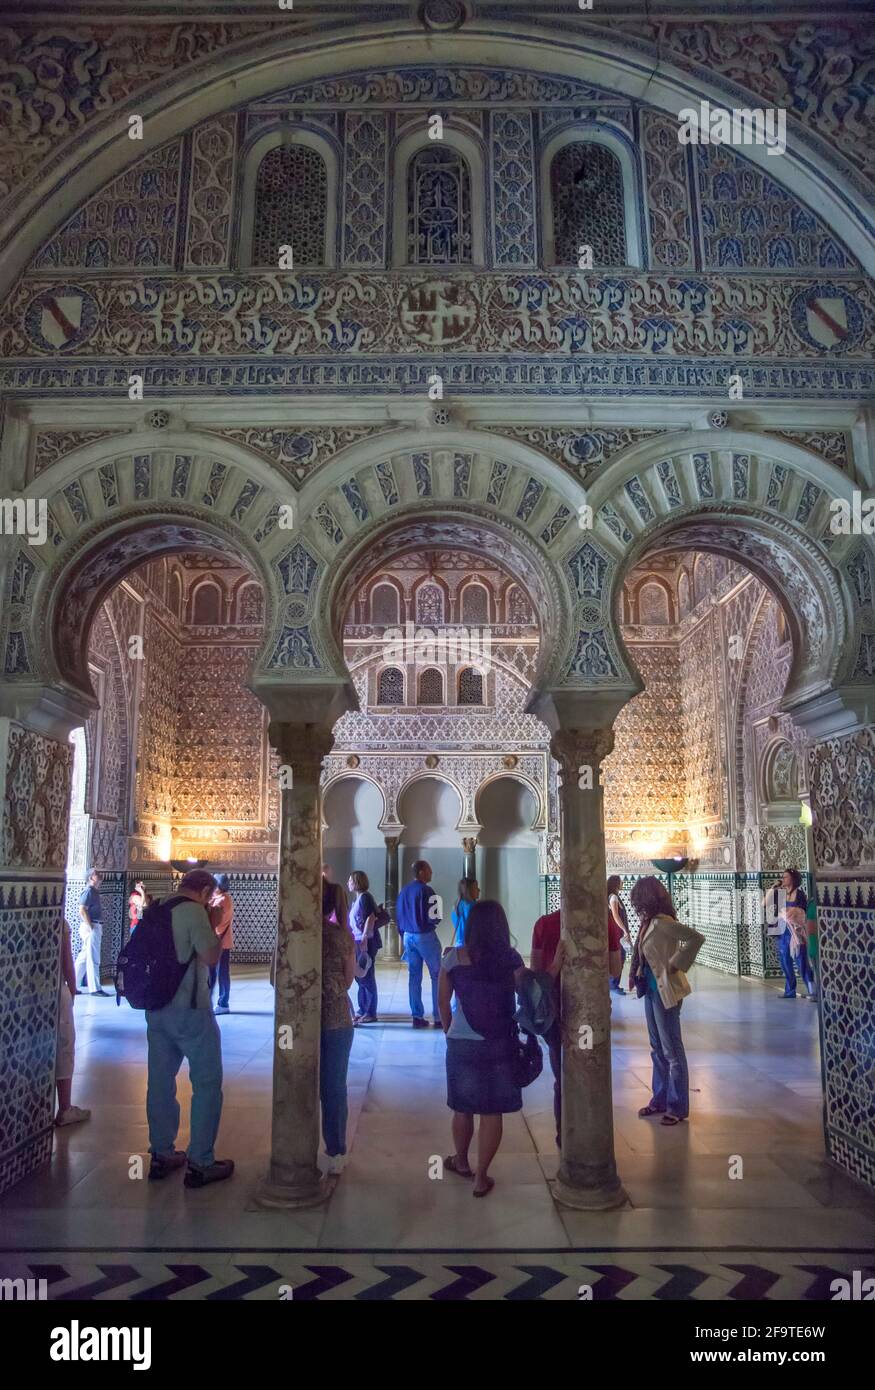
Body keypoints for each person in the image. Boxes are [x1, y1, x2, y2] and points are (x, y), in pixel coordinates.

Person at [145, 868, 234, 1187]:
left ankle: (162, 1152)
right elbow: (211, 956)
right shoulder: (194, 911)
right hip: (189, 1010)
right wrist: (212, 922)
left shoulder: (158, 908)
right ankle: (201, 1161)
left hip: (156, 1010)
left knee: (159, 1081)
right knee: (207, 1083)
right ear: (206, 889)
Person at [438, 900, 527, 1197]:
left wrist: (450, 1031)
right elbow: (528, 994)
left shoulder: (452, 958)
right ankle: (481, 1177)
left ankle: (461, 1162)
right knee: (492, 1111)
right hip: (500, 1041)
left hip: (462, 1041)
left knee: (462, 1107)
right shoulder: (512, 959)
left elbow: (442, 1003)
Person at [530, 904, 622, 1147]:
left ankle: (565, 1136)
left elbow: (535, 973)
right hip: (590, 1014)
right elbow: (615, 969)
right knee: (591, 1072)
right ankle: (591, 1134)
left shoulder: (545, 924)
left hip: (555, 1013)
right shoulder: (605, 924)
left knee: (562, 1077)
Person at [628, 876, 705, 1127]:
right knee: (656, 1048)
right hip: (650, 990)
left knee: (671, 1049)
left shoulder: (663, 923)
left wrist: (676, 963)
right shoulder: (648, 922)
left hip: (665, 990)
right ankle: (659, 1098)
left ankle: (677, 1105)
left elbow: (695, 938)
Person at [321, 879, 368, 1173]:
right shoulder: (342, 937)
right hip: (337, 1019)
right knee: (334, 1087)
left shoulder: (296, 934)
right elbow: (350, 980)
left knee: (298, 1084)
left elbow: (277, 979)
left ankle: (293, 1153)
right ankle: (336, 1153)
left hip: (299, 1023)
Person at [396, 860, 442, 1028]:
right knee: (437, 975)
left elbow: (398, 917)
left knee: (414, 977)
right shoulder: (428, 890)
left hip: (408, 936)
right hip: (425, 936)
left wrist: (403, 935)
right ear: (422, 872)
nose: (431, 873)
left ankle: (417, 1016)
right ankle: (439, 1017)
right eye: (429, 870)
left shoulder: (404, 891)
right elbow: (436, 916)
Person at [55, 919, 91, 1128]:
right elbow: (67, 962)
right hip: (57, 992)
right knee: (64, 1048)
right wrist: (72, 991)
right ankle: (65, 1108)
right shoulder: (60, 922)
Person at [764, 868, 815, 999]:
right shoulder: (779, 892)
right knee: (784, 961)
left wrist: (791, 912)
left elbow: (802, 912)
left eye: (786, 877)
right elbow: (764, 903)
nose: (783, 879)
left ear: (793, 879)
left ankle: (812, 991)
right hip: (782, 932)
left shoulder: (800, 894)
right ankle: (790, 991)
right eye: (783, 877)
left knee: (801, 961)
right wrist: (773, 887)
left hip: (795, 933)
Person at [348, 870, 380, 1024]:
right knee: (359, 976)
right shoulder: (358, 898)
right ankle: (363, 1007)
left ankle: (370, 1012)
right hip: (358, 941)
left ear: (356, 882)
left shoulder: (365, 898)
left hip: (365, 942)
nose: (348, 883)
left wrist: (365, 940)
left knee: (367, 976)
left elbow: (371, 918)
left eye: (350, 880)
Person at [76, 868, 108, 996]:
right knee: (93, 958)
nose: (99, 875)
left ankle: (72, 984)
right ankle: (95, 988)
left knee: (83, 958)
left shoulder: (94, 891)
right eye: (96, 874)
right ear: (90, 878)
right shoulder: (89, 891)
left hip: (93, 925)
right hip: (92, 926)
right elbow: (82, 910)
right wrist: (90, 926)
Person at [208, 873, 234, 1014]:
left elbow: (214, 920)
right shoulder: (223, 898)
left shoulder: (223, 900)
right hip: (221, 942)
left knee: (221, 973)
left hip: (220, 943)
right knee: (216, 972)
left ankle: (223, 1003)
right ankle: (217, 1002)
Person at [607, 876, 633, 994]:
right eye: (620, 882)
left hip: (619, 932)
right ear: (616, 883)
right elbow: (615, 916)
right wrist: (624, 930)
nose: (622, 883)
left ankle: (614, 984)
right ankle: (613, 984)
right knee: (619, 957)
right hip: (618, 933)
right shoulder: (613, 897)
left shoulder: (615, 897)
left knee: (620, 956)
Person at [451, 877, 479, 946]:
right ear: (469, 890)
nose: (479, 890)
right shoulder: (473, 906)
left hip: (459, 943)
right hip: (471, 944)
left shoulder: (456, 905)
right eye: (476, 887)